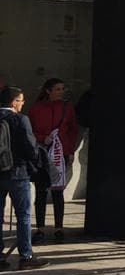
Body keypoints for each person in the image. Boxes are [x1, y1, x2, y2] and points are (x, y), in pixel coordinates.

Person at [0, 86, 49, 270]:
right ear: (13, 102)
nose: (23, 103)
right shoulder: (21, 119)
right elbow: (31, 147)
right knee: (24, 216)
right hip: (18, 173)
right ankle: (26, 256)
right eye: (21, 100)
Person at [27, 77, 79, 243]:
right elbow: (30, 131)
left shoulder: (67, 107)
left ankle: (59, 228)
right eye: (58, 89)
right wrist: (43, 138)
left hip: (60, 154)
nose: (61, 92)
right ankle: (40, 228)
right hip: (42, 153)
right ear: (48, 91)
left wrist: (70, 151)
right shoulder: (36, 109)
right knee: (41, 192)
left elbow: (72, 130)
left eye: (62, 89)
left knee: (58, 192)